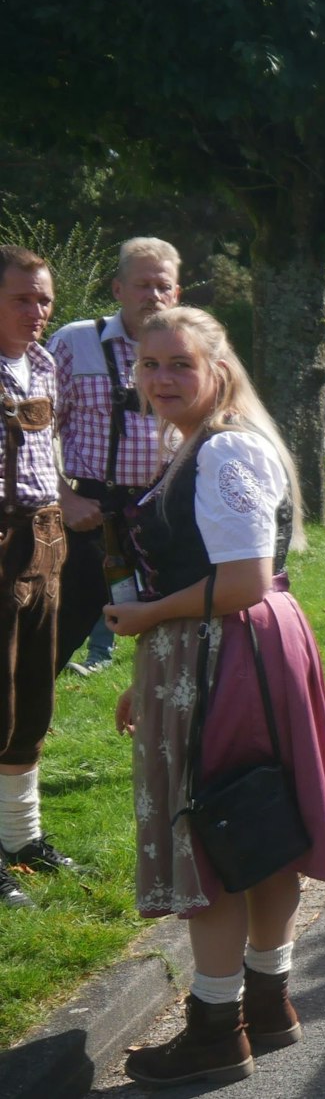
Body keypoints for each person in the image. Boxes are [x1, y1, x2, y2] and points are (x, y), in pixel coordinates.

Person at [98, 306, 325, 1085]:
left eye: (180, 363)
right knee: (256, 819)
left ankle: (216, 1029)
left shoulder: (225, 448)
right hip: (229, 648)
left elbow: (242, 581)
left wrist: (149, 620)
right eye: (150, 365)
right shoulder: (206, 444)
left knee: (217, 830)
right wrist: (147, 674)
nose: (162, 379)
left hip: (226, 649)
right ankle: (267, 1003)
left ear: (218, 367)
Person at [47, 237, 178, 678]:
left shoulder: (193, 347)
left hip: (168, 510)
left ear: (177, 292)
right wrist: (64, 498)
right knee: (53, 634)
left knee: (182, 631)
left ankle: (173, 714)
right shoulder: (75, 342)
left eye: (163, 286)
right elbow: (31, 434)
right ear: (118, 289)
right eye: (142, 285)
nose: (154, 296)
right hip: (93, 514)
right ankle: (20, 717)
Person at [0, 246, 71, 911]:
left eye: (44, 298)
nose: (38, 310)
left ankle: (21, 837)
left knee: (32, 702)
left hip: (45, 542)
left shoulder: (44, 363)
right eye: (23, 298)